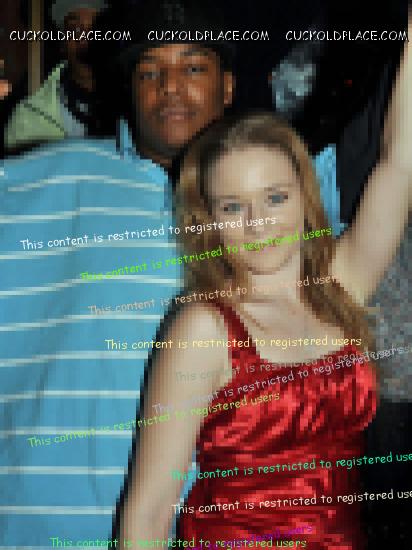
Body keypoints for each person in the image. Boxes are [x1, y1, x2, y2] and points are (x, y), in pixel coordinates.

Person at [118, 20, 410, 550]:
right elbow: (148, 515)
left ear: (305, 198)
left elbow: (398, 163)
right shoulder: (203, 329)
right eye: (234, 207)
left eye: (275, 198)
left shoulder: (339, 287)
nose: (257, 223)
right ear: (209, 219)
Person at [0, 0, 236, 545]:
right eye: (149, 72)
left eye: (193, 67)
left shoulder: (272, 199)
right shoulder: (44, 176)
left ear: (227, 87)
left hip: (205, 526)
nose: (170, 87)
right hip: (45, 525)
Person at [4, 0, 108, 152]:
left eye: (95, 29)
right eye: (75, 28)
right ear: (62, 43)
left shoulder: (133, 109)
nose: (86, 36)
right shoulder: (28, 119)